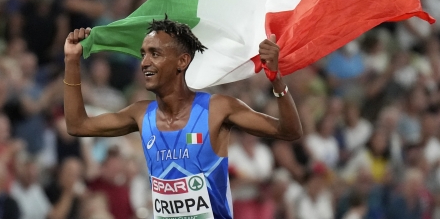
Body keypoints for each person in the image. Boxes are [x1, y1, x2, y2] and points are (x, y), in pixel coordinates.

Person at [63, 19, 302, 218]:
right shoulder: (140, 114)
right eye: (143, 54)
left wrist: (277, 81)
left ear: (182, 61)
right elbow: (77, 125)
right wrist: (72, 61)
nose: (144, 62)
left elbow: (290, 131)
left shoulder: (217, 109)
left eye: (155, 53)